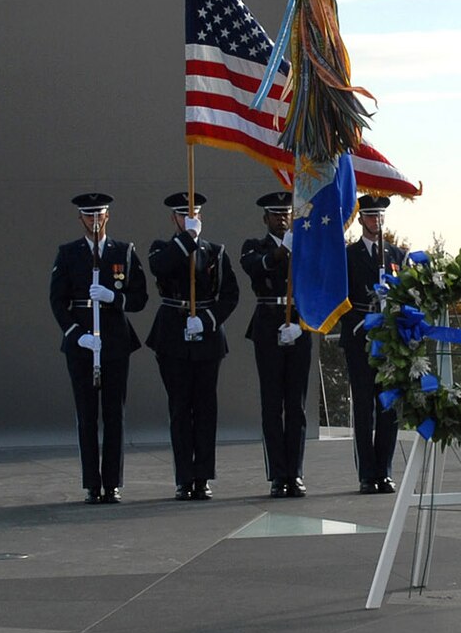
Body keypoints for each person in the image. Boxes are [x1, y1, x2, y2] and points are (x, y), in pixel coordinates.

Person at [48, 193, 146, 504]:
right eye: (88, 217)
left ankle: (112, 482)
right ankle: (92, 483)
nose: (94, 221)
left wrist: (112, 297)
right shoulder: (68, 254)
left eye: (99, 215)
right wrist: (77, 334)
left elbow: (140, 298)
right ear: (81, 220)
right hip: (82, 344)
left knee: (114, 414)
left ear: (107, 218)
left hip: (115, 341)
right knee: (87, 415)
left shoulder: (124, 251)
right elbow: (57, 301)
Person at [147, 192, 240, 500]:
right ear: (173, 219)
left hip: (206, 335)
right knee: (179, 407)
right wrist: (187, 239)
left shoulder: (215, 252)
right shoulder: (161, 248)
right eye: (184, 215)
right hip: (172, 333)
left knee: (205, 408)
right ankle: (183, 477)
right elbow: (161, 268)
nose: (190, 219)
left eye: (195, 215)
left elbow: (230, 295)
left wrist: (209, 319)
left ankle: (202, 477)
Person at [240, 192, 310, 497]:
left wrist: (300, 324)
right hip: (268, 324)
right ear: (265, 218)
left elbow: (315, 281)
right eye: (276, 215)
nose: (282, 219)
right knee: (272, 403)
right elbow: (258, 267)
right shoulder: (254, 246)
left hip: (298, 323)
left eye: (286, 214)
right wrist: (284, 250)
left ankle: (295, 473)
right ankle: (277, 475)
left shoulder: (303, 246)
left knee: (296, 405)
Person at [343, 196, 402, 494]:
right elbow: (342, 297)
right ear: (361, 220)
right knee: (364, 407)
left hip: (389, 340)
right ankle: (367, 473)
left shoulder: (396, 256)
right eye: (370, 217)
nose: (375, 222)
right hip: (360, 337)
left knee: (388, 407)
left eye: (379, 217)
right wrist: (360, 323)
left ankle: (385, 471)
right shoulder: (349, 255)